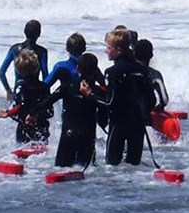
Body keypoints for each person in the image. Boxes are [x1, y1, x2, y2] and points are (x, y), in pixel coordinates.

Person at [39, 52, 111, 167]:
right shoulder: (99, 93)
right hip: (87, 139)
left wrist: (31, 114)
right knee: (87, 174)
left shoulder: (67, 87)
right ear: (95, 71)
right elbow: (103, 120)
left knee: (61, 171)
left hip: (68, 136)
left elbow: (47, 101)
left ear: (77, 68)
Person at [103, 28, 156, 165]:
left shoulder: (112, 72)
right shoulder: (142, 70)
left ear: (118, 50)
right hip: (138, 124)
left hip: (118, 124)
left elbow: (109, 103)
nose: (106, 51)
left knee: (112, 165)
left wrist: (90, 94)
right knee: (134, 166)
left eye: (108, 47)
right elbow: (152, 100)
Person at [0, 49, 52, 144]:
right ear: (37, 68)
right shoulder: (44, 87)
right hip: (42, 127)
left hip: (25, 127)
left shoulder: (20, 86)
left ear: (18, 71)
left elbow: (20, 106)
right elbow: (50, 111)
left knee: (22, 153)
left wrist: (7, 113)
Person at [0, 19, 48, 100]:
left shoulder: (14, 49)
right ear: (39, 34)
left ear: (24, 32)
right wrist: (46, 94)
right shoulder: (42, 51)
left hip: (18, 93)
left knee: (15, 111)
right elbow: (45, 75)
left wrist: (8, 90)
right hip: (36, 93)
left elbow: (1, 72)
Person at [133, 39, 169, 110]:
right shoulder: (155, 74)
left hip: (127, 112)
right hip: (146, 113)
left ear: (134, 54)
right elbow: (164, 100)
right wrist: (160, 107)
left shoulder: (126, 71)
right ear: (151, 55)